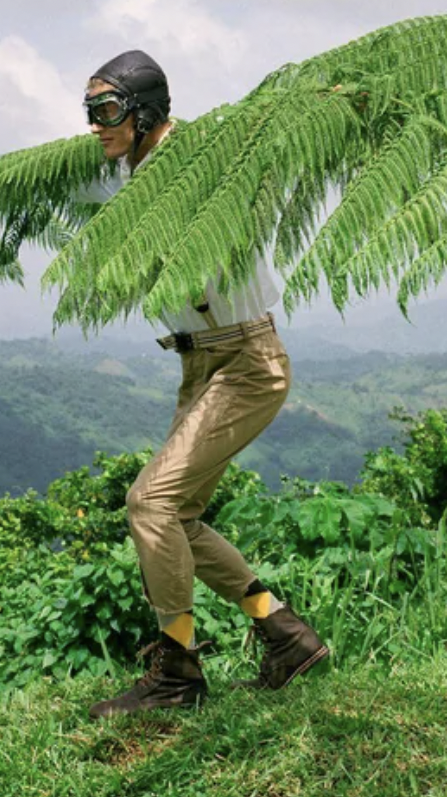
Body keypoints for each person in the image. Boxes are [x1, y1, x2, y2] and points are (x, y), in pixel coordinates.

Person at [77, 50, 329, 719]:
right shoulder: (132, 173)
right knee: (179, 515)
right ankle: (284, 632)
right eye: (89, 113)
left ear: (146, 112)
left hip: (247, 360)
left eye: (106, 111)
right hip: (198, 361)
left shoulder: (200, 163)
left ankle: (178, 671)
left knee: (149, 505)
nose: (96, 126)